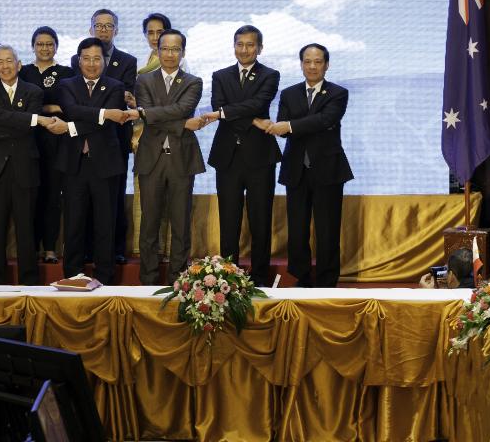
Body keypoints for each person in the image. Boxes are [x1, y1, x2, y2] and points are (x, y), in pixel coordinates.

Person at [261, 43, 352, 288]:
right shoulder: (289, 93)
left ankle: (326, 281)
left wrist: (291, 126)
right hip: (296, 170)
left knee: (327, 230)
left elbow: (326, 120)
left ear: (326, 65)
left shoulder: (337, 93)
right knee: (298, 230)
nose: (312, 66)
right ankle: (300, 277)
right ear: (301, 64)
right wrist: (286, 127)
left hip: (328, 171)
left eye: (318, 61)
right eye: (307, 61)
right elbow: (282, 128)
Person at [0, 45, 67, 286]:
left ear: (18, 65)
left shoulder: (33, 91)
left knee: (27, 230)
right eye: (0, 62)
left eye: (10, 61)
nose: (5, 66)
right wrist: (36, 119)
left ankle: (30, 285)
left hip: (25, 168)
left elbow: (20, 127)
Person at [201, 24, 282, 286]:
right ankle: (227, 278)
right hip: (228, 157)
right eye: (240, 44)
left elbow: (259, 103)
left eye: (250, 45)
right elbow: (217, 106)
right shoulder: (220, 75)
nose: (244, 49)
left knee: (260, 220)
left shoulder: (271, 74)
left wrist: (226, 113)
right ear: (234, 46)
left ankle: (259, 279)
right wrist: (252, 120)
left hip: (260, 157)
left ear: (260, 48)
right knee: (229, 221)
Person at [129, 30, 206, 285]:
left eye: (175, 49)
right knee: (149, 224)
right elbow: (148, 114)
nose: (170, 54)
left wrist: (151, 114)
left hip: (181, 160)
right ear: (157, 50)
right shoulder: (143, 80)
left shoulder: (194, 81)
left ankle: (179, 281)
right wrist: (183, 124)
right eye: (165, 49)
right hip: (151, 158)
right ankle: (148, 281)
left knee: (180, 224)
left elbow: (175, 110)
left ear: (183, 52)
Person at [55, 37, 130, 284]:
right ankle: (72, 278)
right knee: (74, 224)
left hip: (105, 165)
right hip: (74, 164)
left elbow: (100, 121)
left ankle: (105, 280)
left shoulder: (115, 86)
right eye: (86, 58)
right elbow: (71, 110)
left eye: (96, 58)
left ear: (104, 61)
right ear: (78, 60)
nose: (91, 63)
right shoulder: (66, 84)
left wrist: (74, 126)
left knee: (105, 225)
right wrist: (104, 113)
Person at [69, 8, 138, 264]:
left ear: (116, 30)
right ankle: (86, 249)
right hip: (81, 144)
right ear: (91, 29)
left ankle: (114, 250)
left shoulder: (127, 61)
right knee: (81, 204)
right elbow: (75, 99)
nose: (104, 30)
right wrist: (101, 111)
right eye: (99, 26)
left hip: (113, 140)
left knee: (112, 201)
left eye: (109, 26)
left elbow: (122, 100)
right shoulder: (76, 58)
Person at [18, 26, 75, 265]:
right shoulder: (23, 72)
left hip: (56, 142)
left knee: (52, 195)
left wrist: (46, 107)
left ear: (56, 47)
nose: (44, 48)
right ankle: (31, 248)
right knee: (30, 197)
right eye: (40, 44)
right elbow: (21, 107)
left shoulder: (66, 73)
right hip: (27, 142)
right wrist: (50, 108)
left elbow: (68, 106)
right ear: (33, 46)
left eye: (49, 44)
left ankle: (50, 248)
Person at [131, 13, 172, 263]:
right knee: (144, 195)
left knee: (166, 196)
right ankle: (146, 250)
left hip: (166, 139)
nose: (155, 38)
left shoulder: (176, 63)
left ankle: (164, 250)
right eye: (150, 32)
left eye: (160, 32)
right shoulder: (146, 61)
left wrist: (139, 104)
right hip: (143, 138)